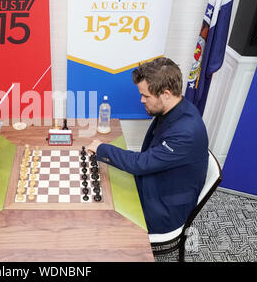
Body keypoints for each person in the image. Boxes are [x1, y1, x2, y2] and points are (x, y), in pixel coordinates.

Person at [87, 57, 209, 234]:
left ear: (166, 94)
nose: (142, 100)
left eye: (146, 95)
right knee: (103, 180)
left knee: (101, 219)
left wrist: (101, 148)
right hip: (158, 182)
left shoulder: (186, 132)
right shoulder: (177, 108)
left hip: (163, 209)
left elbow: (141, 163)